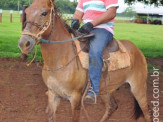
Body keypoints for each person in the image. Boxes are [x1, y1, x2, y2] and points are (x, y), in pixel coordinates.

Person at [71, 0, 119, 104]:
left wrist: (91, 24)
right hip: (86, 29)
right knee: (69, 48)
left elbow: (111, 13)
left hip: (103, 29)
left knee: (95, 52)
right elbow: (78, 13)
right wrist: (75, 22)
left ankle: (93, 90)